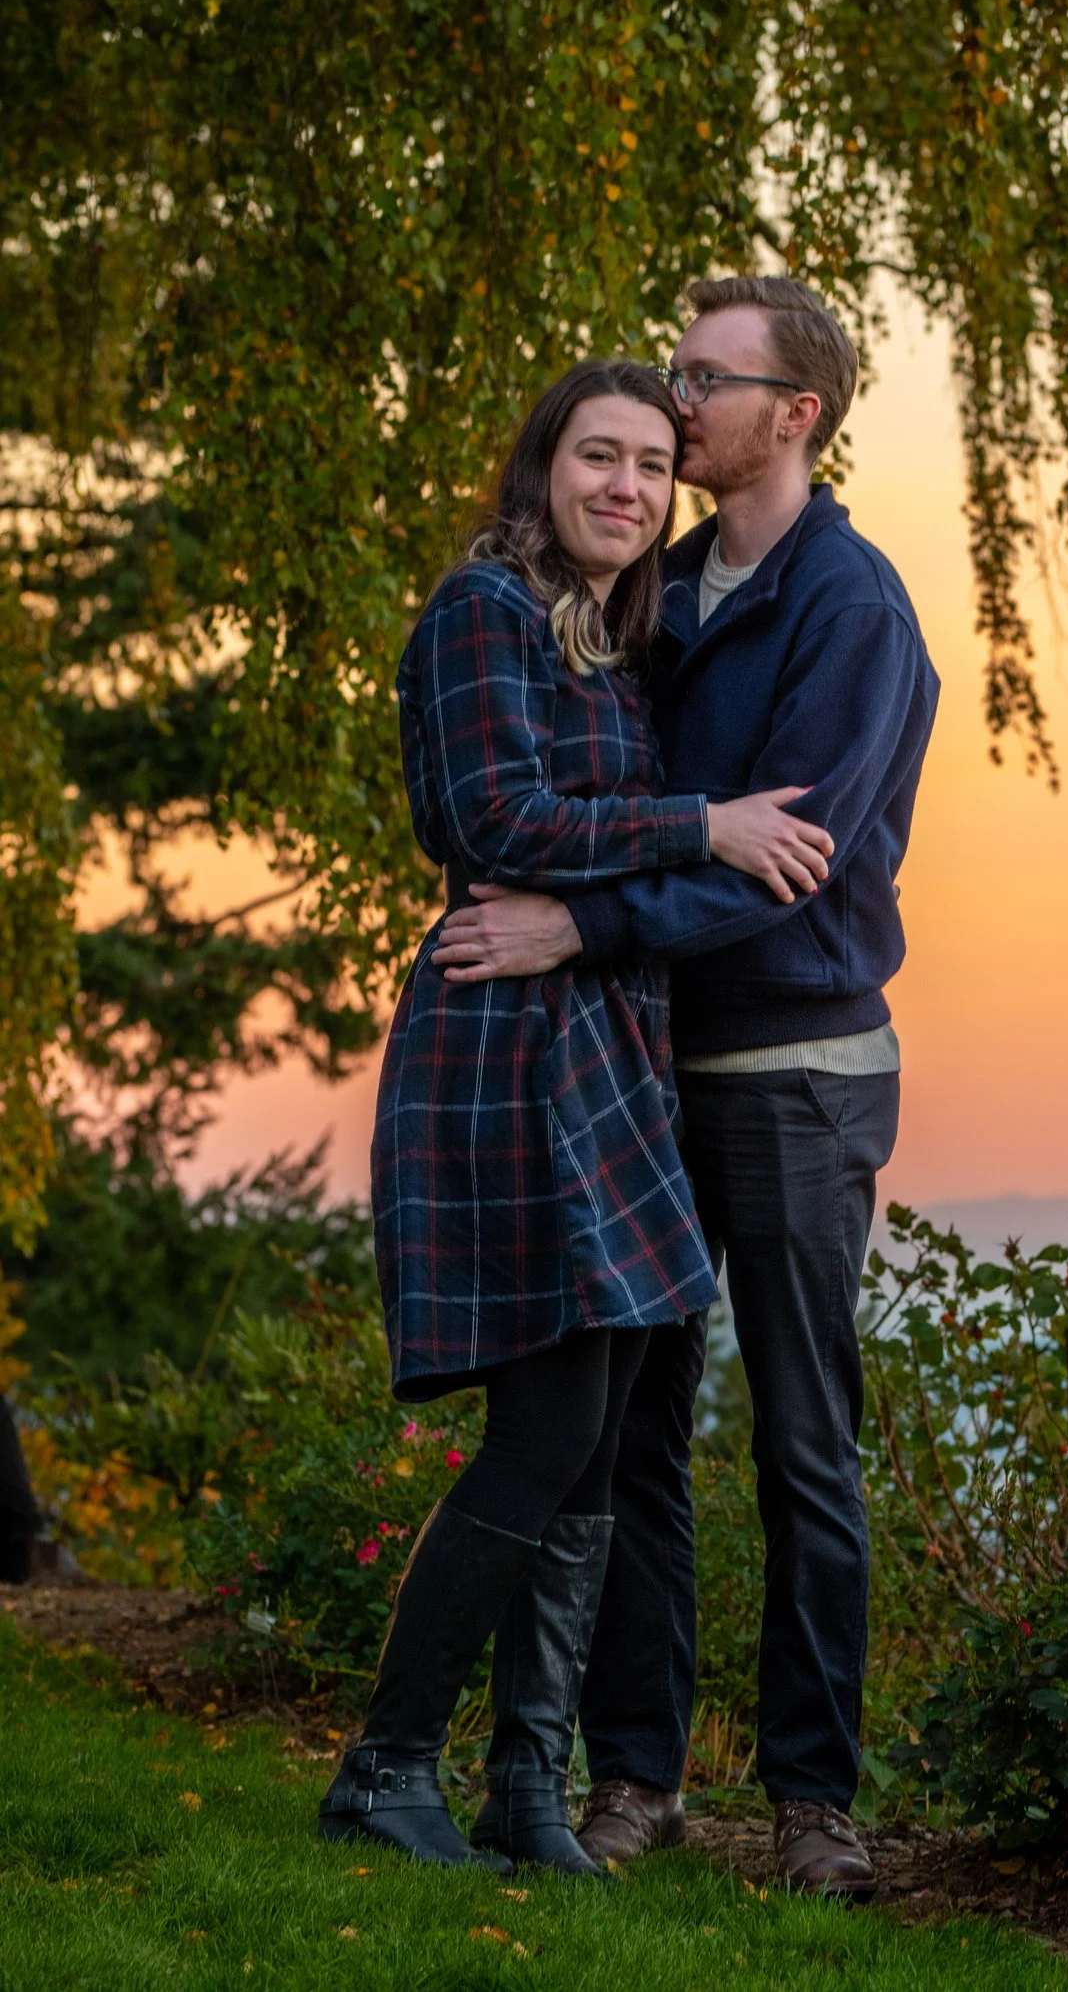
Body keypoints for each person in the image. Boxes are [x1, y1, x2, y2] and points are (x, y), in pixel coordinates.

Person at [430, 277, 939, 1895]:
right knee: (634, 1440)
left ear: (795, 413)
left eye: (707, 380)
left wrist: (577, 917)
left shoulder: (851, 609)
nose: (679, 400)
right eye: (673, 372)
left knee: (802, 1442)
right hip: (643, 1062)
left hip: (793, 1067)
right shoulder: (656, 593)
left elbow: (782, 866)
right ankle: (637, 1779)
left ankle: (814, 1807)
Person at [320, 359, 835, 1875]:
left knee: (602, 1435)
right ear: (543, 468)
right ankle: (382, 1764)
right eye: (596, 457)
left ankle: (526, 1791)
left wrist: (622, 883)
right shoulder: (482, 608)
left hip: (606, 1043)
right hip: (504, 1046)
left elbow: (567, 845)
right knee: (546, 1426)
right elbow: (501, 822)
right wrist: (706, 826)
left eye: (652, 468)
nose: (626, 487)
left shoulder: (611, 637)